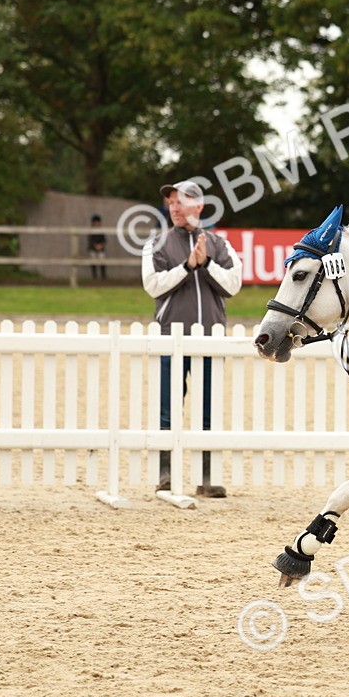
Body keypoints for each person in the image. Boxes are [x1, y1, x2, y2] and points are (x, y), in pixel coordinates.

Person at [142, 180, 243, 497]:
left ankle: (206, 479)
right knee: (167, 410)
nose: (174, 207)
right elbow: (153, 286)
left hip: (210, 341)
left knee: (207, 411)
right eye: (171, 202)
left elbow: (233, 283)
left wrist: (206, 264)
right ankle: (166, 475)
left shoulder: (218, 244)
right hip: (171, 339)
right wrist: (188, 266)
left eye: (181, 202)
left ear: (199, 206)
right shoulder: (156, 244)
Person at [87, 214, 107, 280]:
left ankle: (103, 277)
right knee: (93, 260)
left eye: (97, 222)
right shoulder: (90, 231)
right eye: (95, 222)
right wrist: (95, 246)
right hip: (93, 249)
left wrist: (101, 246)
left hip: (101, 249)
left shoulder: (101, 231)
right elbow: (90, 241)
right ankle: (94, 277)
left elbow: (104, 240)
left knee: (102, 259)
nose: (96, 223)